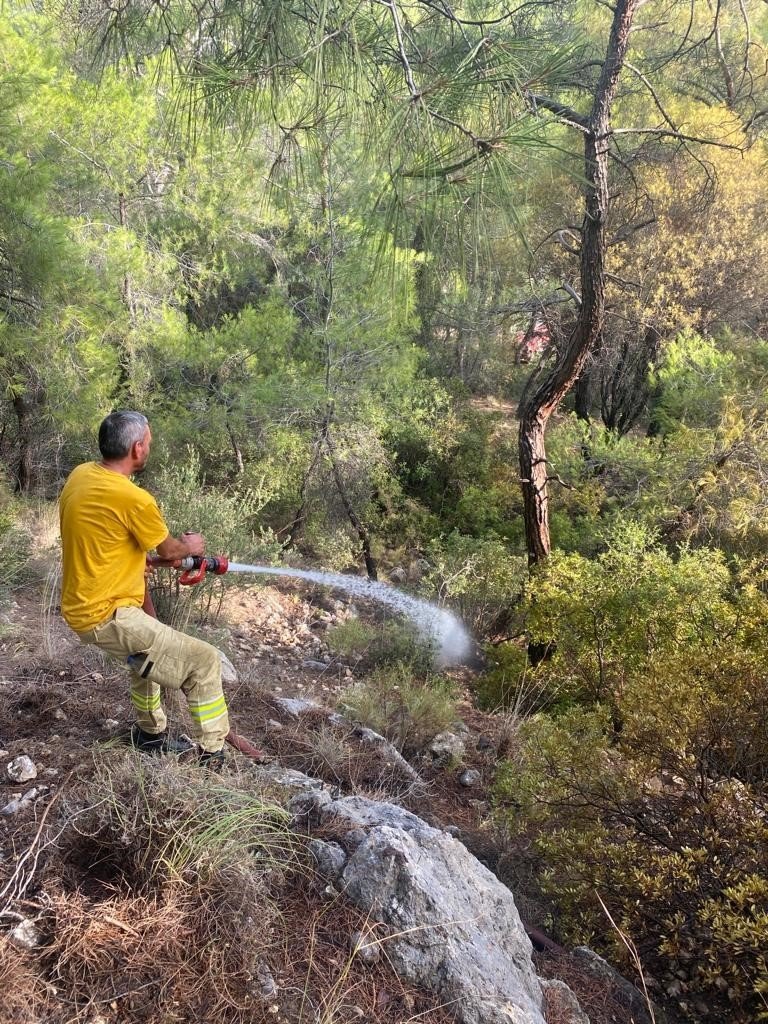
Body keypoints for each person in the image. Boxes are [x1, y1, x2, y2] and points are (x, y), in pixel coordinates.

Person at [58, 410, 228, 770]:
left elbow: (109, 541)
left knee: (145, 657)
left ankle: (149, 736)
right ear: (137, 449)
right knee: (204, 661)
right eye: (148, 443)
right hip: (106, 614)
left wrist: (140, 563)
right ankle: (213, 756)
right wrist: (192, 549)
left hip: (83, 606)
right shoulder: (134, 498)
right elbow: (170, 551)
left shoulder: (82, 476)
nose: (149, 447)